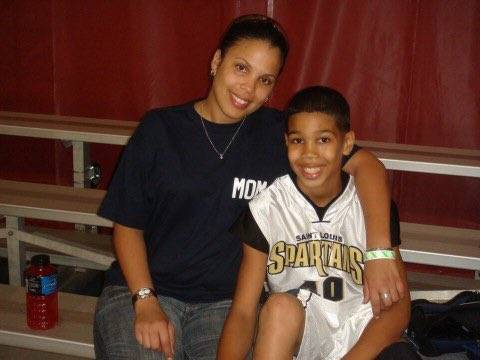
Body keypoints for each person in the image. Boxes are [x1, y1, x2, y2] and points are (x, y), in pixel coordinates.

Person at [94, 15, 403, 360]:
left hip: (224, 304)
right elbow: (127, 226)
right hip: (142, 290)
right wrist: (145, 299)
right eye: (241, 68)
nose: (248, 88)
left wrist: (379, 252)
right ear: (216, 61)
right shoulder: (160, 129)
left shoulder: (281, 137)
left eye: (264, 80)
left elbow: (367, 165)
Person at [217, 86, 418, 360]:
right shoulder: (266, 208)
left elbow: (398, 307)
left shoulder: (370, 208)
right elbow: (243, 310)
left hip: (362, 334)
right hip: (302, 337)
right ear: (286, 142)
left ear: (347, 144)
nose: (309, 154)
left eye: (323, 140)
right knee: (279, 308)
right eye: (298, 141)